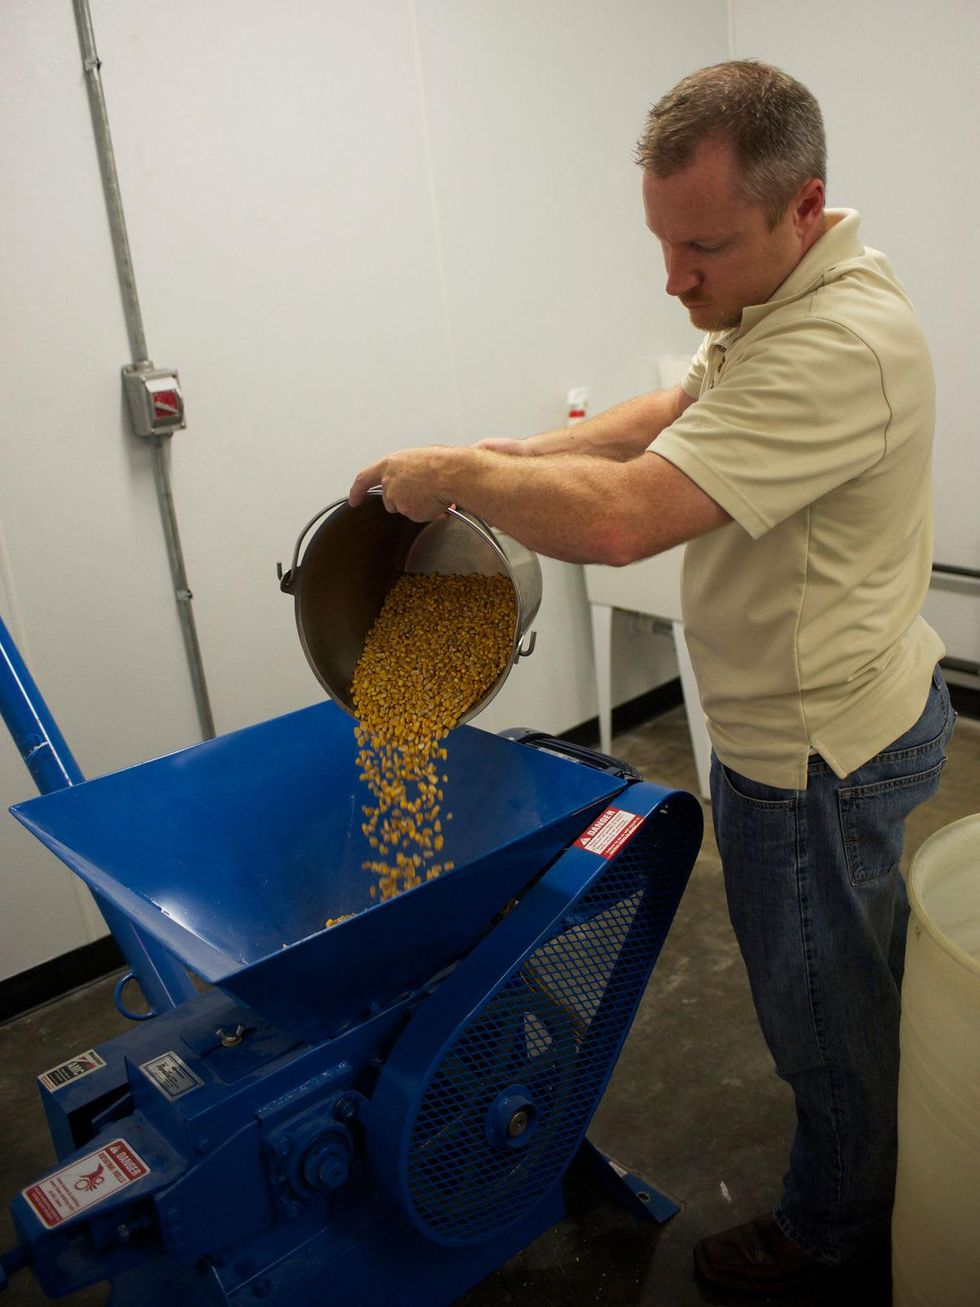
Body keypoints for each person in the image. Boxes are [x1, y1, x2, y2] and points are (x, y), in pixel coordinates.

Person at [349, 60, 955, 1294]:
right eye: (662, 242)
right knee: (847, 979)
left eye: (702, 249)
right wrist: (516, 449)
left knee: (821, 1019)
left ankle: (835, 1237)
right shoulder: (790, 286)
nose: (673, 279)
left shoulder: (835, 343)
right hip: (827, 713)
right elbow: (669, 409)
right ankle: (872, 1171)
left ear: (801, 203)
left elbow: (627, 517)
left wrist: (454, 478)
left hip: (811, 753)